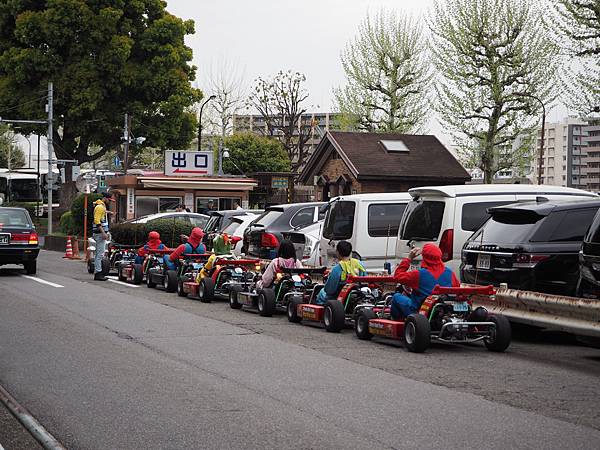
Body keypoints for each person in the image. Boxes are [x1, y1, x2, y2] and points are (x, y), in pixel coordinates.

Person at [390, 243, 460, 320]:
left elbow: (397, 276)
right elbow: (457, 289)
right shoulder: (450, 273)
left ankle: (400, 322)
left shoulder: (418, 274)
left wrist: (409, 258)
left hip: (419, 312)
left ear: (425, 257)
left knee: (396, 297)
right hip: (444, 309)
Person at [92, 192, 114, 281]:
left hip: (99, 233)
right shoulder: (100, 207)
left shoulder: (100, 206)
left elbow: (102, 213)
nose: (110, 202)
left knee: (99, 253)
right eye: (109, 200)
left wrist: (109, 212)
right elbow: (97, 221)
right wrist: (103, 233)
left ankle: (98, 272)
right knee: (99, 254)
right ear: (105, 198)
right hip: (99, 234)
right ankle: (98, 273)